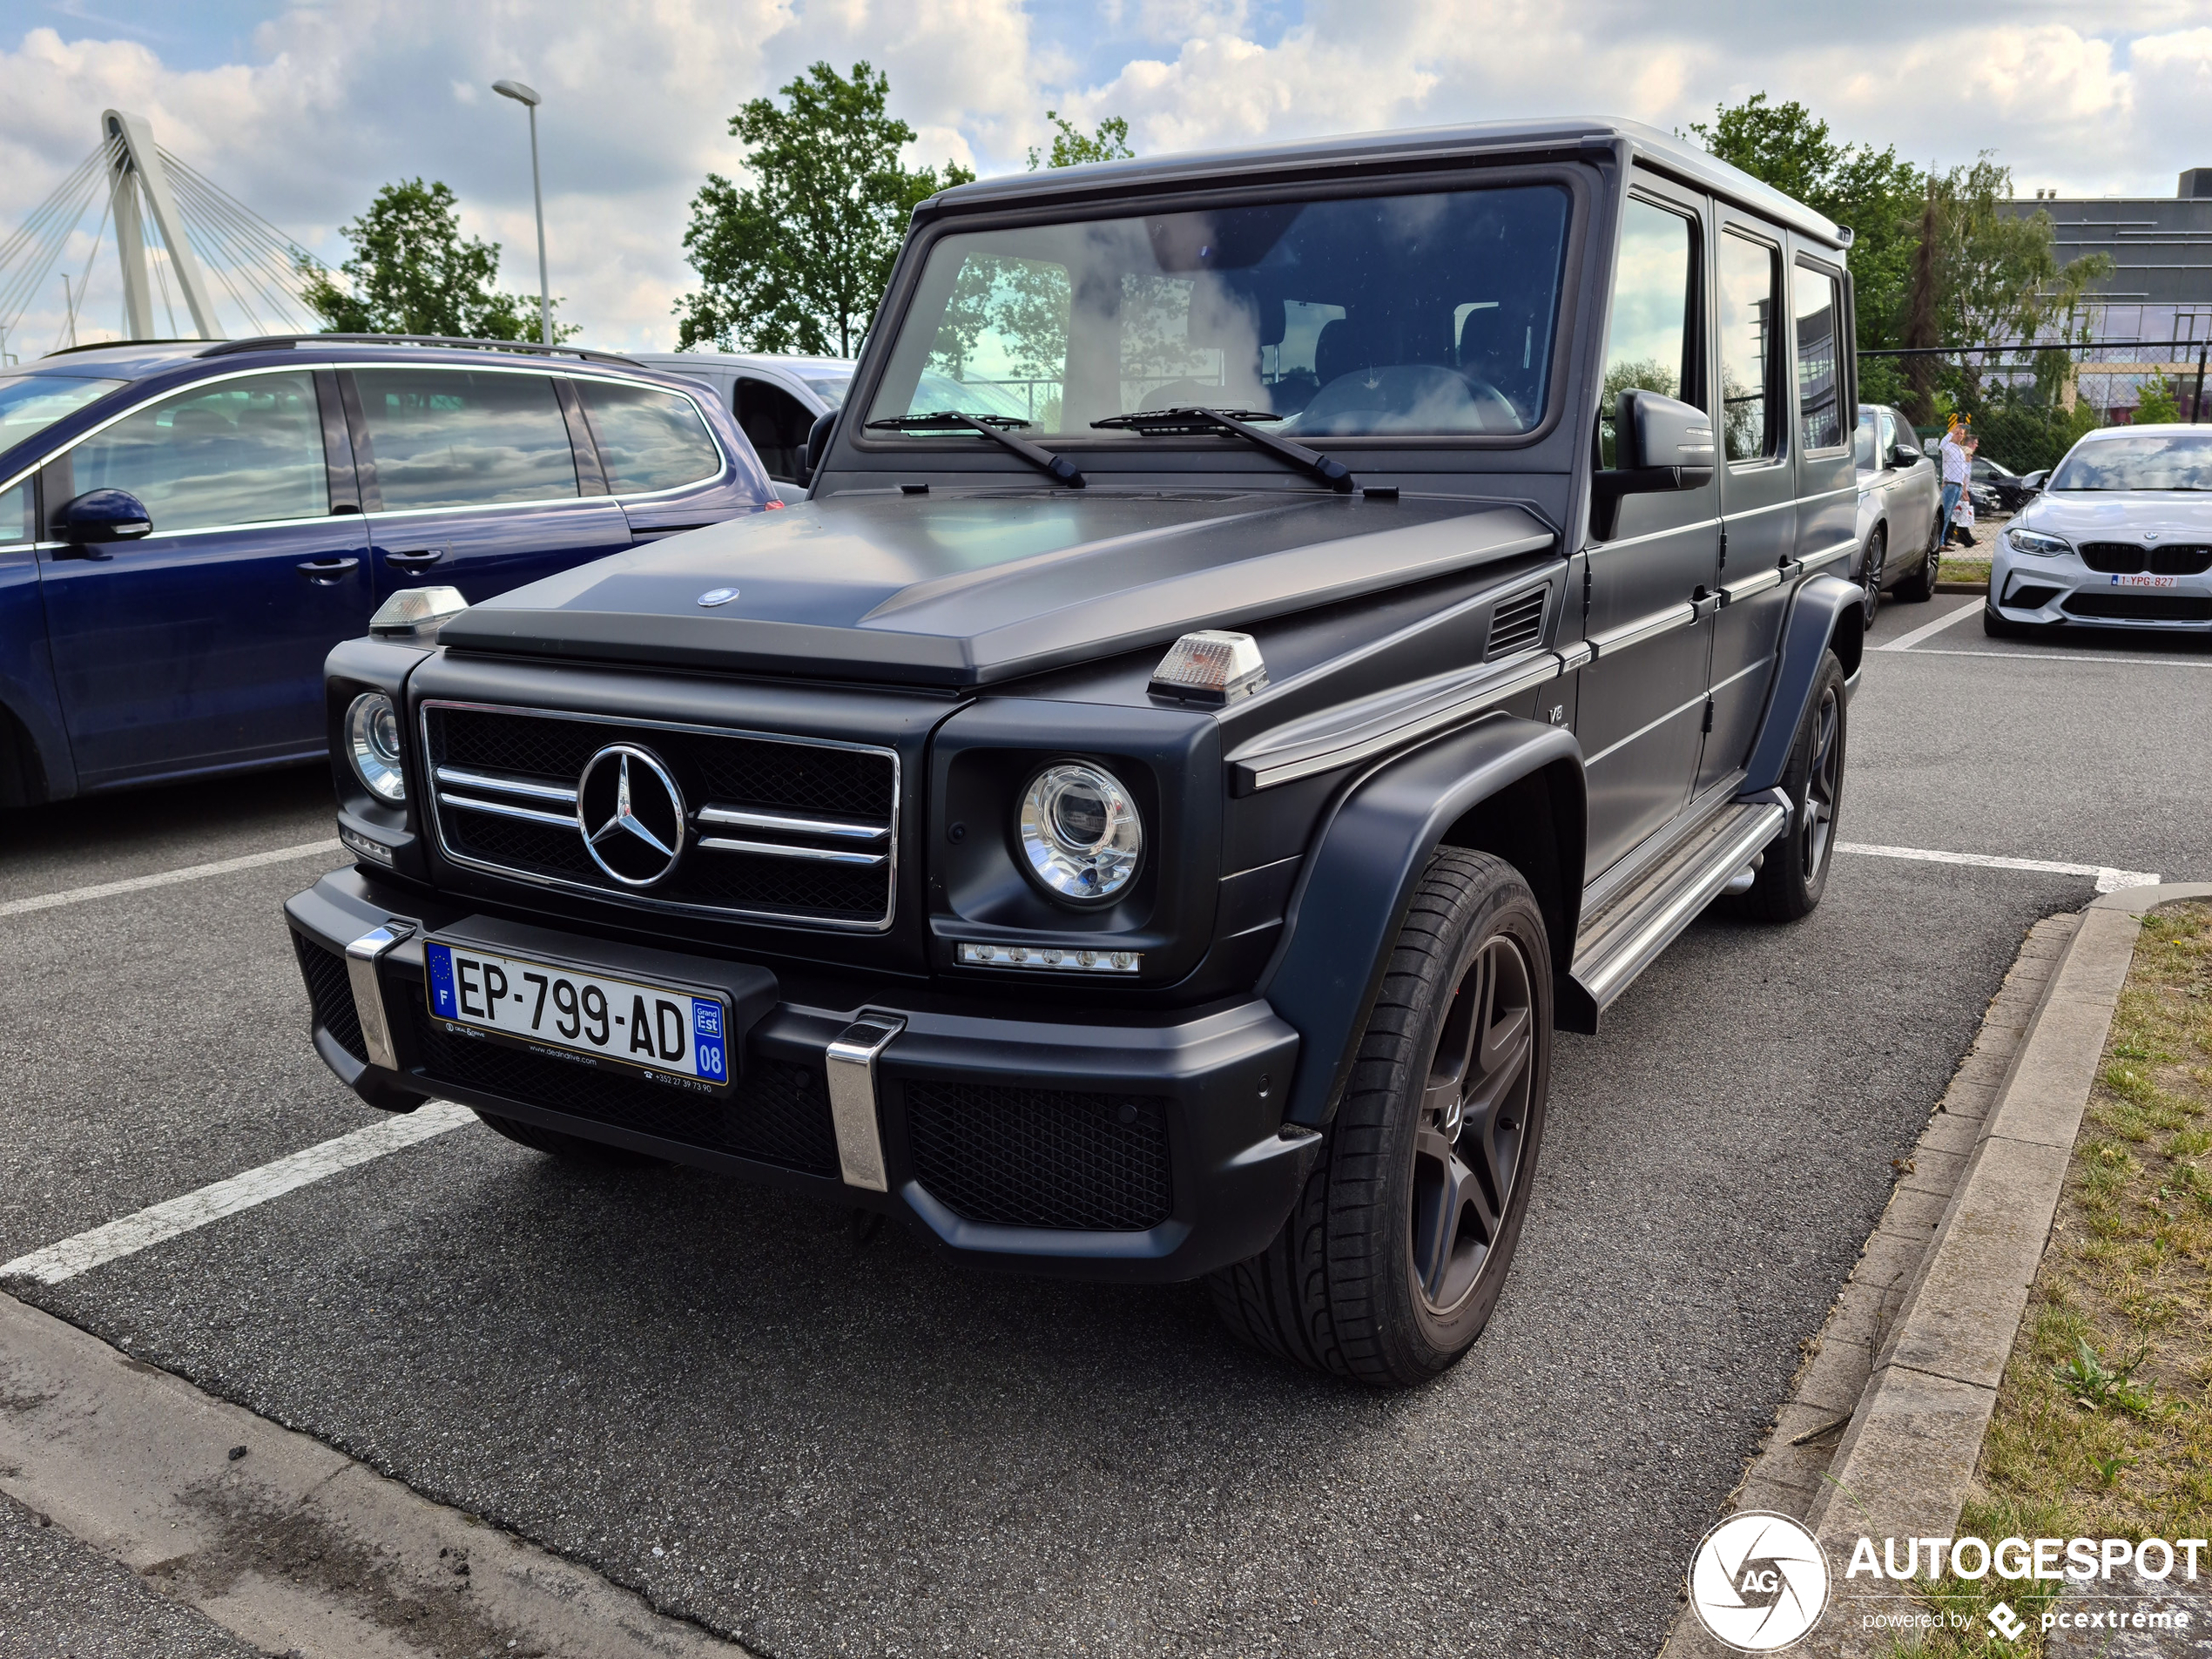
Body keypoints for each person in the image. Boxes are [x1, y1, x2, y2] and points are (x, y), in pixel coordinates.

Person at [1938, 417, 1973, 548]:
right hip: (1950, 484)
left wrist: (1964, 489)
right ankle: (1939, 541)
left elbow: (1963, 470)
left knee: (1949, 515)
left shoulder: (1960, 450)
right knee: (1945, 514)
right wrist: (1952, 432)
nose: (1959, 436)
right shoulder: (1948, 447)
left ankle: (1942, 540)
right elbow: (1941, 445)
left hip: (1958, 486)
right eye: (1957, 433)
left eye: (1961, 434)